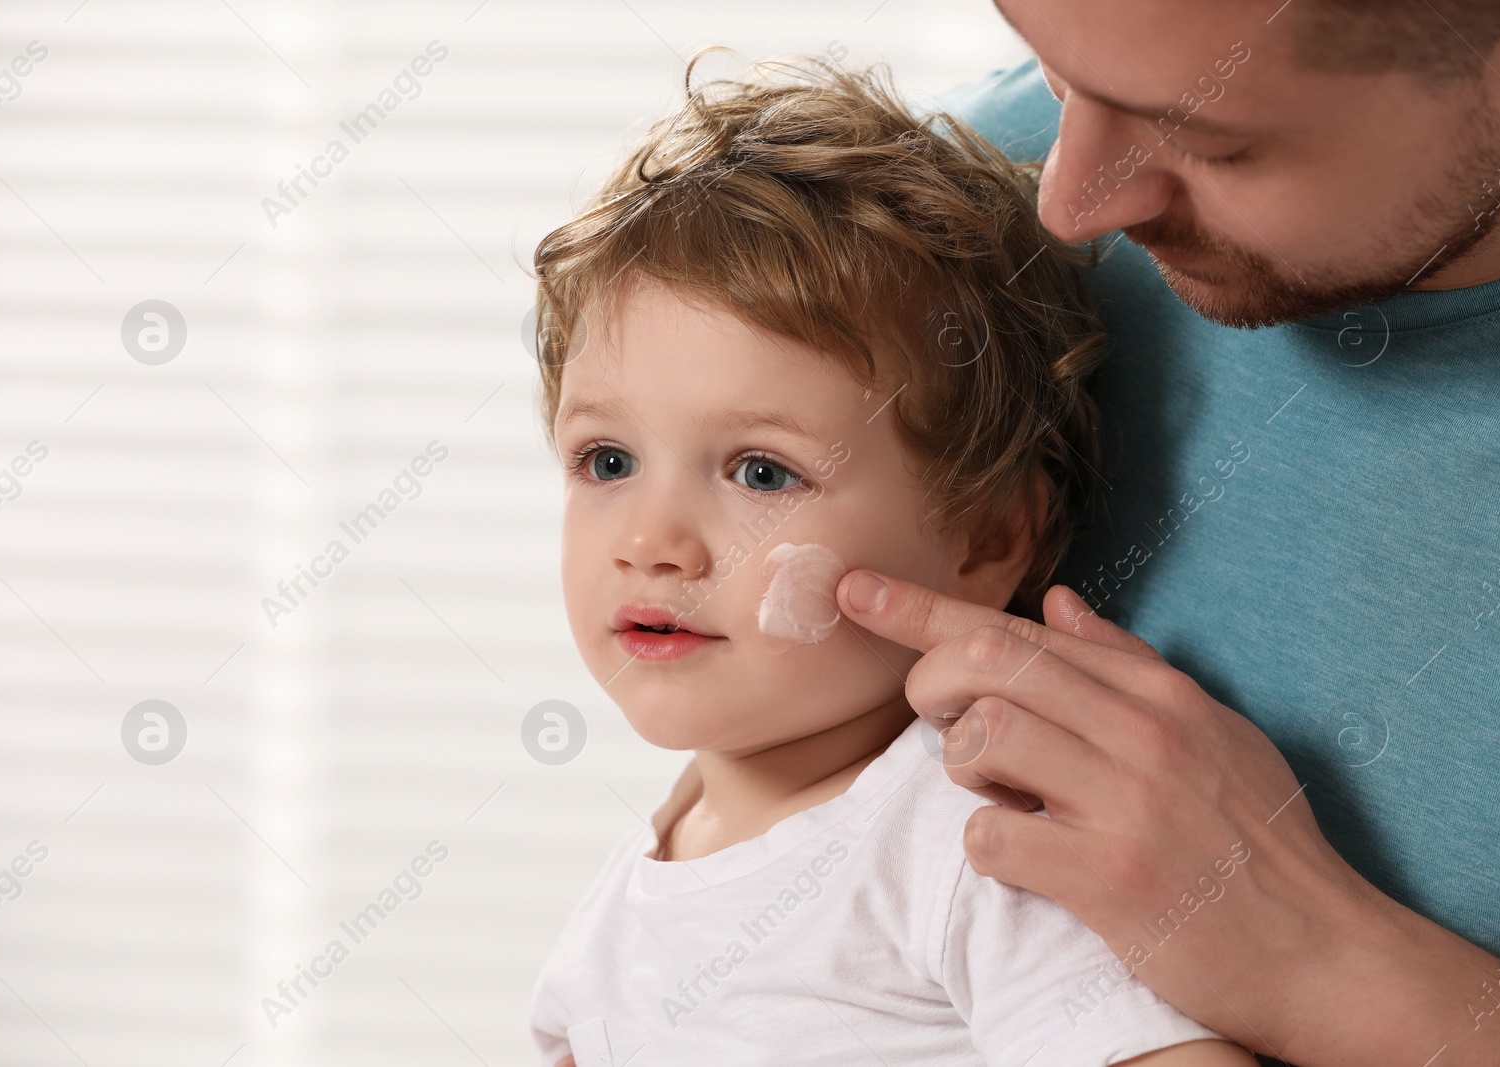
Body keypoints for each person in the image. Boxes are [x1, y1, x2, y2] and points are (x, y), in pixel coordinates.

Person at [825, 2, 1500, 1065]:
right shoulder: (939, 229)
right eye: (1051, 67)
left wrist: (1319, 962)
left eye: (1209, 138)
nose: (1070, 204)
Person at [527, 54, 1255, 1067]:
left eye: (761, 472)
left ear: (987, 539)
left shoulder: (970, 842)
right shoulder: (652, 867)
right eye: (608, 460)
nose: (651, 542)